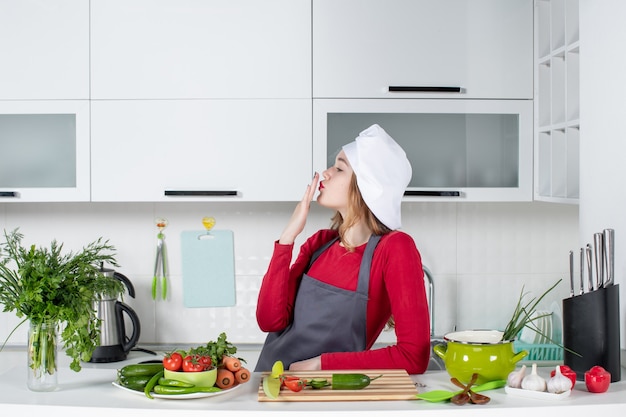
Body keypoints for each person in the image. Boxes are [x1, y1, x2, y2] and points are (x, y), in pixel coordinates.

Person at [254, 124, 430, 374]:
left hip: (331, 395)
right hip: (271, 388)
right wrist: (287, 239)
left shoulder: (394, 249)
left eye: (339, 168)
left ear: (365, 185)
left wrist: (321, 365)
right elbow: (269, 321)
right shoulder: (319, 244)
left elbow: (414, 356)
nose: (325, 173)